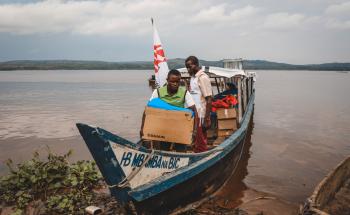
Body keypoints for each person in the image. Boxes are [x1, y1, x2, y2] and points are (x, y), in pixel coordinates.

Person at [141, 69, 196, 151]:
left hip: (180, 127)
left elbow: (194, 111)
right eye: (172, 81)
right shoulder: (158, 92)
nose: (175, 84)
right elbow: (148, 110)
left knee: (181, 149)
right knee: (163, 148)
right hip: (163, 127)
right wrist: (142, 128)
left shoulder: (184, 93)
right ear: (167, 80)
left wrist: (194, 131)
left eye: (177, 82)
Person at [185, 56, 213, 152]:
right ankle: (195, 152)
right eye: (187, 67)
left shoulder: (203, 77)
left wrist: (207, 118)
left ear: (196, 65)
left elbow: (209, 99)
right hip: (193, 113)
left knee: (201, 140)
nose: (188, 69)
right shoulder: (193, 78)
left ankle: (200, 155)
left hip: (201, 115)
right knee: (195, 138)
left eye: (190, 66)